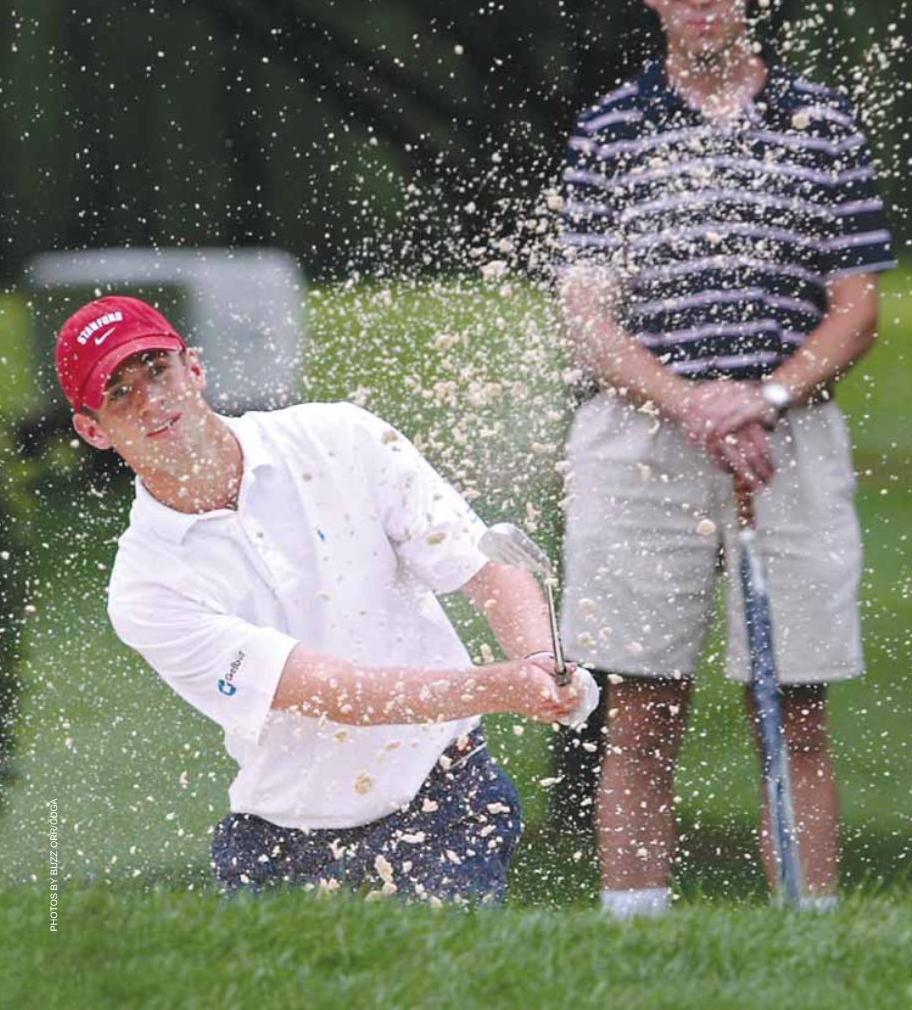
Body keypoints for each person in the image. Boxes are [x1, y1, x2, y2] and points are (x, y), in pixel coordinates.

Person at [554, 0, 895, 916]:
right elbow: (591, 319)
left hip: (788, 435)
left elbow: (857, 306)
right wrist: (694, 402)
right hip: (642, 440)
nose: (702, 0)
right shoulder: (609, 130)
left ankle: (812, 935)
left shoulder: (820, 120)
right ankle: (634, 938)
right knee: (642, 704)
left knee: (792, 705)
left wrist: (766, 394)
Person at [56, 295, 599, 905]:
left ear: (195, 368)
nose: (152, 400)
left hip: (444, 791)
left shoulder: (339, 437)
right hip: (285, 841)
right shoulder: (145, 586)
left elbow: (483, 565)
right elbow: (336, 693)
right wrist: (502, 687)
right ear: (92, 429)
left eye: (158, 371)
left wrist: (537, 659)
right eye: (120, 393)